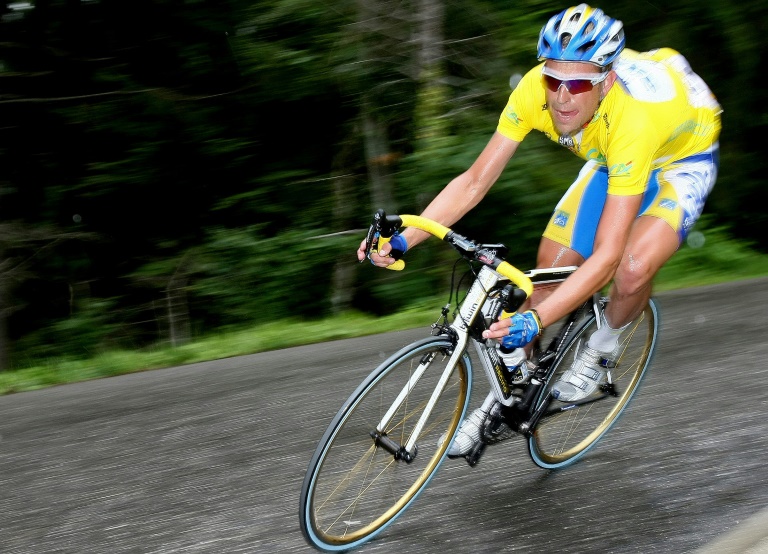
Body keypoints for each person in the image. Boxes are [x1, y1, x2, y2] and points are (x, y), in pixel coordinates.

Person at [356, 4, 721, 458]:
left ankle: (602, 346)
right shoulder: (534, 90)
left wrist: (537, 320)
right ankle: (507, 392)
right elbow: (473, 182)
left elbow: (606, 256)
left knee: (631, 266)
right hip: (614, 156)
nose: (562, 97)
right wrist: (406, 238)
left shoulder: (630, 120)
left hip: (679, 158)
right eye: (553, 79)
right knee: (550, 270)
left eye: (578, 83)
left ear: (605, 83)